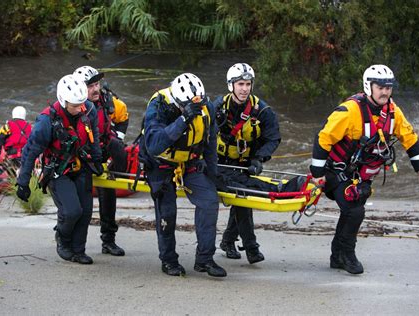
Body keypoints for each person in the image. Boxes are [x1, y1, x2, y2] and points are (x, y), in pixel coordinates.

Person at [310, 64, 419, 274]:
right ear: (369, 86)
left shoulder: (393, 112)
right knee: (355, 210)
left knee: (350, 212)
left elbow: (409, 138)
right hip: (335, 172)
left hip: (361, 177)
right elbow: (323, 140)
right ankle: (348, 255)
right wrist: (317, 174)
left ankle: (337, 256)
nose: (385, 91)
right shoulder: (349, 111)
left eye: (388, 87)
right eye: (380, 87)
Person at [140, 73, 227, 277]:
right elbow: (154, 145)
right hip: (160, 164)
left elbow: (210, 140)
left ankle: (205, 259)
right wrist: (184, 118)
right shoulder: (159, 104)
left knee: (209, 201)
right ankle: (168, 260)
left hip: (189, 162)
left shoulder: (206, 107)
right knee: (167, 213)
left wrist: (214, 174)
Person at [16, 74, 103, 264]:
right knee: (72, 211)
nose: (80, 108)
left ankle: (78, 250)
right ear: (63, 101)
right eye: (75, 105)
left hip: (81, 165)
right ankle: (63, 241)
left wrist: (97, 158)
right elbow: (30, 152)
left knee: (86, 211)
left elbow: (93, 135)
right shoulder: (45, 121)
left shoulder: (87, 109)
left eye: (82, 103)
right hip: (57, 170)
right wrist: (23, 182)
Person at [215, 63, 281, 264]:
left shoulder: (262, 111)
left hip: (245, 164)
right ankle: (251, 248)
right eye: (240, 84)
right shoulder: (217, 107)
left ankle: (228, 241)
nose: (244, 88)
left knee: (242, 196)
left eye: (248, 84)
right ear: (231, 85)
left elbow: (273, 138)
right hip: (220, 163)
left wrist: (259, 158)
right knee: (243, 196)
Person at [73, 66, 129, 257]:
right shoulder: (72, 105)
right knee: (81, 203)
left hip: (102, 152)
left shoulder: (109, 101)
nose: (95, 89)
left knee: (108, 197)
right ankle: (69, 238)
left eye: (96, 84)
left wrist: (117, 138)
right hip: (81, 157)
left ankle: (108, 241)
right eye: (90, 86)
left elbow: (123, 118)